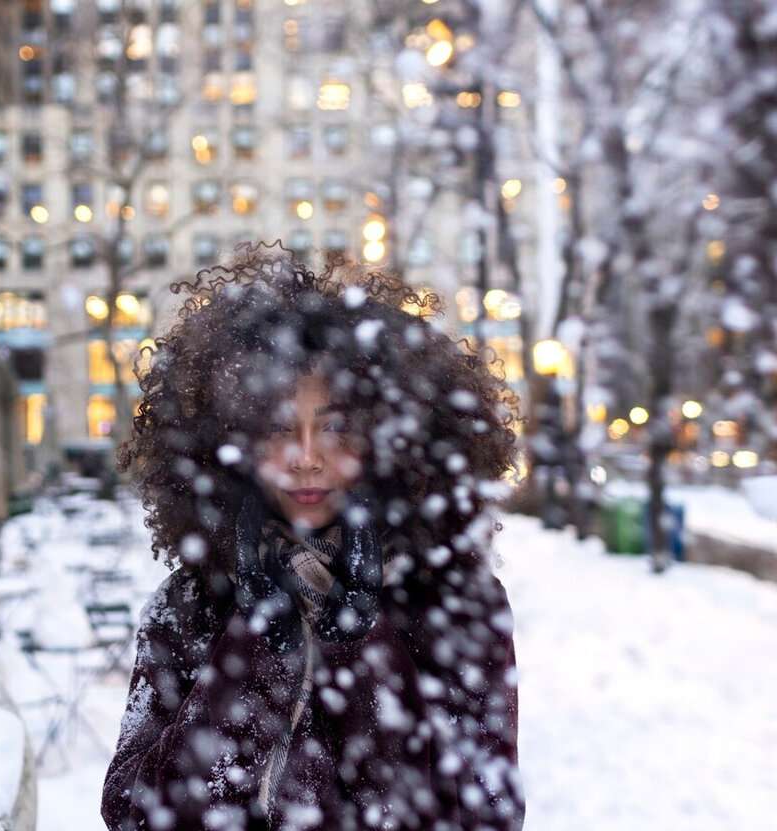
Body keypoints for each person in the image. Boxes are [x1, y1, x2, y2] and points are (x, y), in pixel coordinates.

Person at [102, 243, 524, 831]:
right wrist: (256, 650)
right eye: (276, 428)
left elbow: (480, 816)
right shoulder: (188, 604)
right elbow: (135, 814)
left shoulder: (458, 605)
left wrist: (360, 645)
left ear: (390, 441)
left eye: (337, 429)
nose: (304, 458)